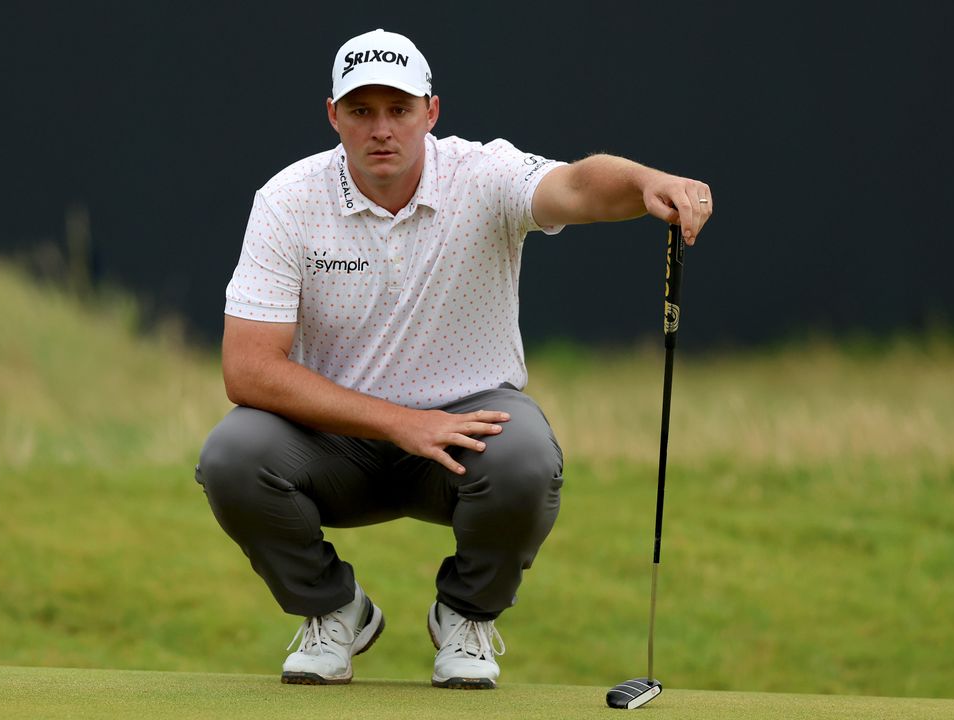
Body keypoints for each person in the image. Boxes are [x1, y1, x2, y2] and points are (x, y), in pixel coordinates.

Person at [196, 28, 712, 689]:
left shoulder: (483, 174)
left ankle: (466, 615)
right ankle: (332, 611)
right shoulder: (288, 201)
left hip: (466, 432)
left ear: (431, 112)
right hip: (331, 442)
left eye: (399, 110)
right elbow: (248, 370)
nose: (381, 129)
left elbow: (579, 187)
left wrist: (647, 182)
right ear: (333, 115)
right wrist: (397, 422)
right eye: (360, 111)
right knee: (232, 455)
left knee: (525, 456)